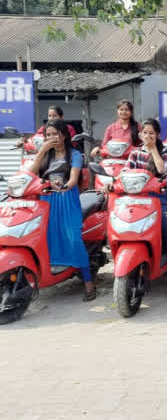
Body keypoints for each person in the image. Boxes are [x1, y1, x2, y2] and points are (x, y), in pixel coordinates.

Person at [103, 119, 167, 294]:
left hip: (161, 197)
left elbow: (161, 169)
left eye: (152, 133)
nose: (148, 136)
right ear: (141, 134)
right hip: (138, 197)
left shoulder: (164, 151)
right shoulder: (135, 153)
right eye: (145, 133)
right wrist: (112, 182)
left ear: (157, 135)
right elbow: (125, 172)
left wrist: (153, 149)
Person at [28, 120, 95, 301]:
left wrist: (65, 185)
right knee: (47, 237)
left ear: (63, 135)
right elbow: (31, 174)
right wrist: (41, 151)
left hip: (66, 199)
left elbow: (73, 178)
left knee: (74, 238)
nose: (51, 138)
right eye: (48, 135)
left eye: (55, 134)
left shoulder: (74, 154)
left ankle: (88, 281)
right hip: (47, 201)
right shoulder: (45, 155)